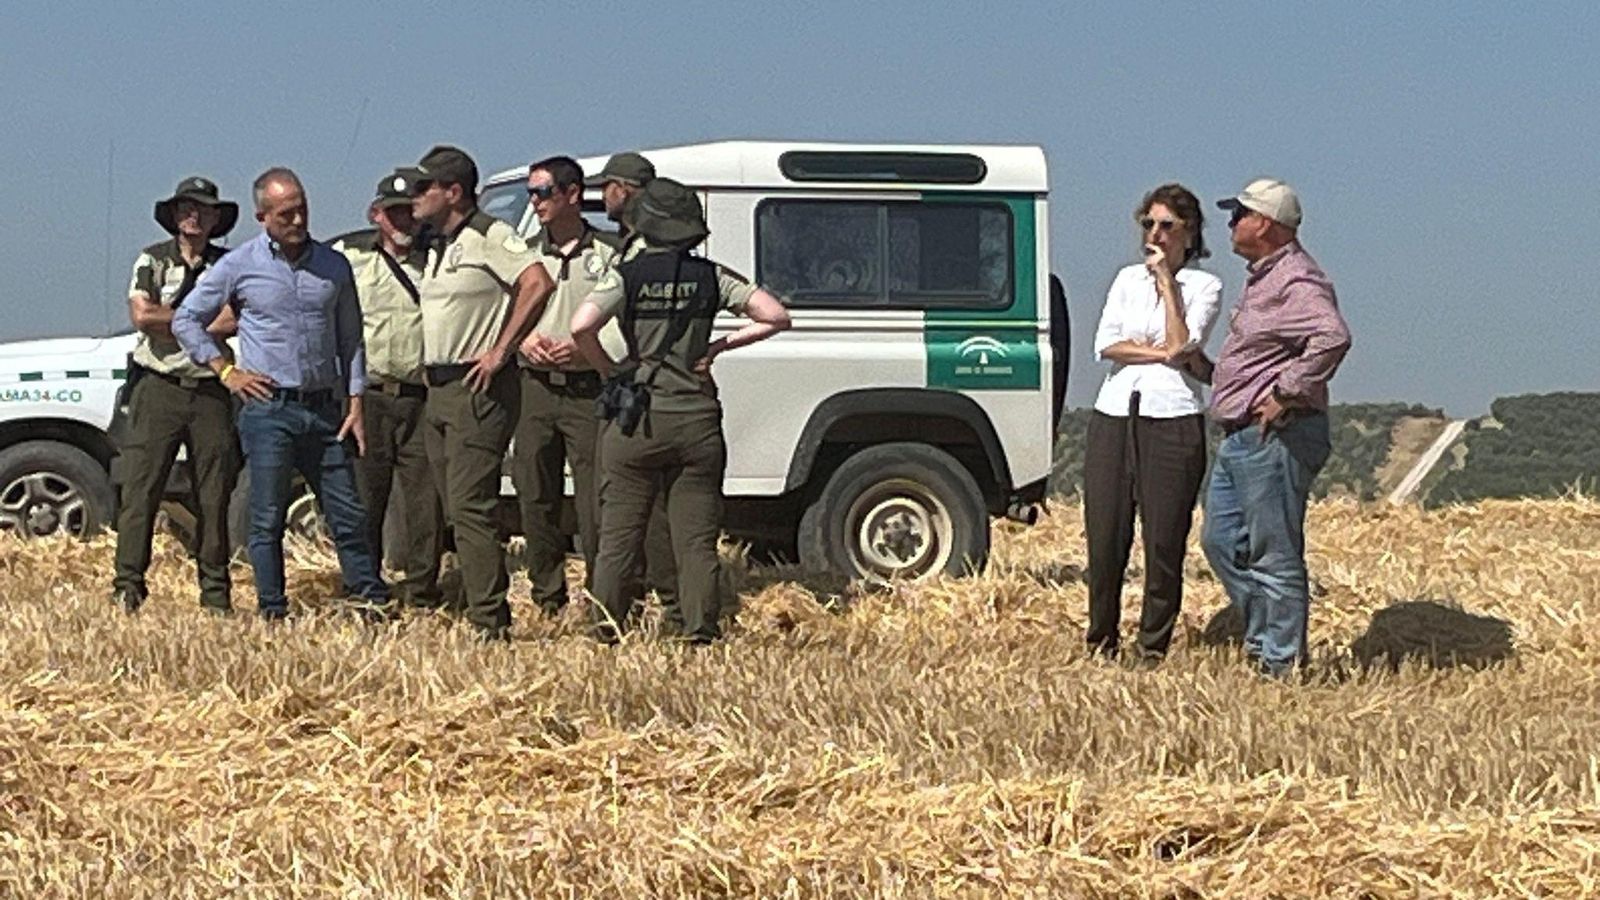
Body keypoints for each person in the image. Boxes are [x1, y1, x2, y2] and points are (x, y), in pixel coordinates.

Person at [571, 177, 791, 643]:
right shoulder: (712, 277)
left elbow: (581, 326)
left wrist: (612, 372)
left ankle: (605, 631)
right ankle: (699, 630)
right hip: (695, 418)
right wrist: (721, 345)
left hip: (638, 420)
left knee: (618, 537)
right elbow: (776, 316)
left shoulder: (625, 277)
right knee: (695, 539)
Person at [172, 167, 389, 621]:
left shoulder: (333, 266)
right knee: (267, 516)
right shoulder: (239, 265)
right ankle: (273, 611)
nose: (297, 220)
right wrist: (226, 370)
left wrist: (356, 401)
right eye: (286, 213)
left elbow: (351, 338)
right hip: (269, 407)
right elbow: (185, 320)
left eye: (302, 209)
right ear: (262, 216)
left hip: (324, 407)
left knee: (347, 512)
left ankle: (369, 602)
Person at [1200, 178, 1352, 676]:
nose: (1230, 224)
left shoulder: (1295, 280)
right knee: (1221, 543)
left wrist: (1285, 393)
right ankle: (1265, 638)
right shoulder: (1264, 277)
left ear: (1263, 223)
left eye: (1238, 215)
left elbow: (1331, 336)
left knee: (1273, 551)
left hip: (1276, 435)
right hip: (1242, 435)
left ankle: (1280, 662)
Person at [409, 144, 555, 640]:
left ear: (453, 192)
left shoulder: (491, 235)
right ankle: (474, 601)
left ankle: (490, 620)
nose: (413, 196)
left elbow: (537, 283)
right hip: (439, 386)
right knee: (452, 503)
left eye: (423, 187)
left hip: (477, 386)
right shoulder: (438, 243)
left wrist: (502, 349)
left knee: (471, 504)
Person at [1084, 184, 1221, 661]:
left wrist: (1166, 285)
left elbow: (1184, 343)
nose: (1155, 235)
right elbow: (1106, 344)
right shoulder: (1124, 280)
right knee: (1105, 536)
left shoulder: (1204, 286)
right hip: (1116, 412)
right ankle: (1100, 639)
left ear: (1189, 233)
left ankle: (1151, 646)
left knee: (1163, 540)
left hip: (1173, 417)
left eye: (1167, 226)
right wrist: (1162, 353)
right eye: (1149, 224)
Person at [110, 177, 242, 614]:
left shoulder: (230, 263)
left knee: (214, 493)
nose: (195, 216)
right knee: (140, 490)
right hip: (159, 385)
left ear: (216, 219)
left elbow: (232, 320)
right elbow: (142, 314)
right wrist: (195, 320)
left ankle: (216, 594)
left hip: (211, 388)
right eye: (188, 208)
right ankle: (128, 586)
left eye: (205, 209)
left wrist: (178, 322)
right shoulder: (153, 259)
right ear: (174, 214)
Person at [511, 156, 628, 617]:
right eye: (530, 194)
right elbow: (505, 313)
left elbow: (624, 321)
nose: (534, 202)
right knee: (534, 493)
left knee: (594, 498)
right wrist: (526, 342)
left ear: (572, 194)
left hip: (588, 389)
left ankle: (604, 598)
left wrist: (588, 352)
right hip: (535, 386)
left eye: (541, 193)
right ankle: (547, 596)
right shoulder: (523, 252)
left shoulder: (609, 252)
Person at [333, 168, 445, 609]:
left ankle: (422, 592)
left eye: (409, 212)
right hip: (370, 396)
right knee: (364, 499)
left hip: (422, 395)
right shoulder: (350, 259)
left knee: (425, 502)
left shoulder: (438, 259)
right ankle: (364, 588)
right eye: (393, 213)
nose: (402, 222)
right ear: (375, 214)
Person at [585, 152, 655, 238]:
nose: (603, 197)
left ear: (621, 190)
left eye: (605, 188)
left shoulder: (648, 240)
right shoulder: (657, 231)